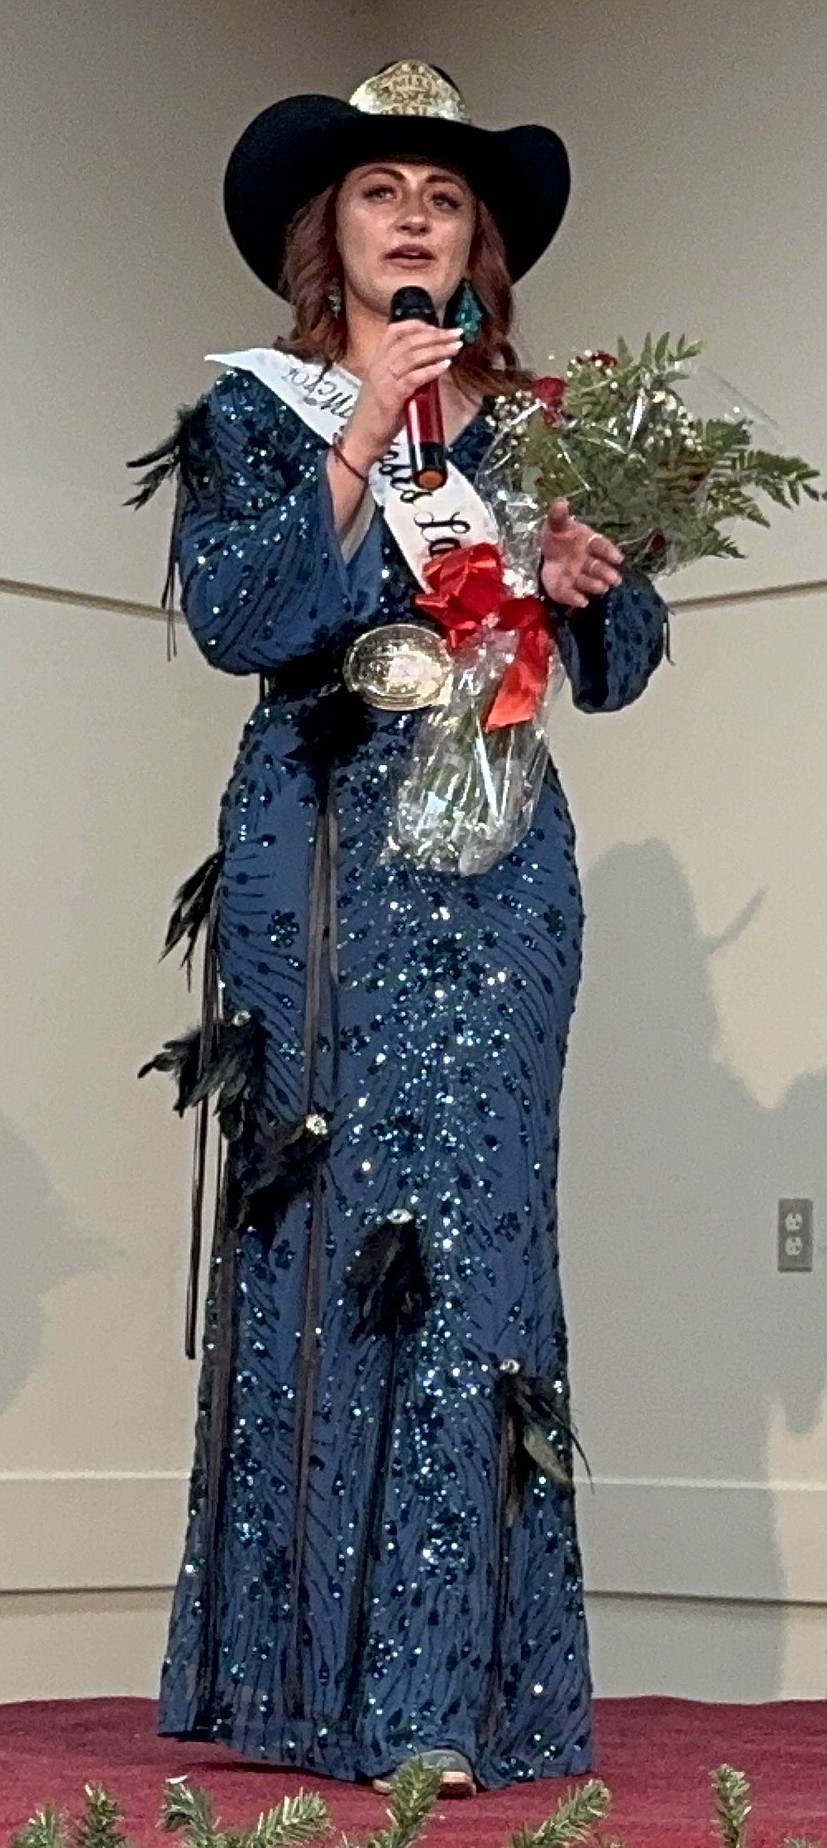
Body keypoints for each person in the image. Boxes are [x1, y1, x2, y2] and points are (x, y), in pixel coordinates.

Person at [134, 58, 668, 1796]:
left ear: (479, 246)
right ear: (328, 239)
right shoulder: (253, 417)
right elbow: (244, 613)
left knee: (483, 1236)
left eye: (444, 197)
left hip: (499, 863)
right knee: (327, 1218)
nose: (417, 215)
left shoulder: (527, 436)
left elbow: (615, 670)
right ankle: (301, 1684)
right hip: (322, 856)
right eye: (382, 193)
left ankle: (465, 1687)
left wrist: (596, 582)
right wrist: (360, 432)